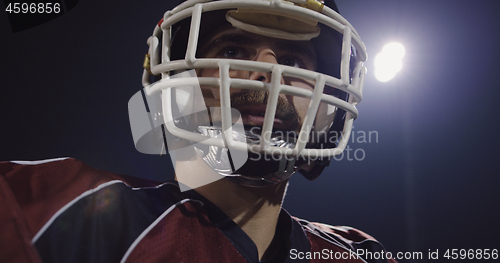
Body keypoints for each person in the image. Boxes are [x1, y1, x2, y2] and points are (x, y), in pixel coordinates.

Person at [1, 0, 397, 262]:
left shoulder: (357, 254)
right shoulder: (61, 208)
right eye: (232, 51)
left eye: (293, 58)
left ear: (327, 104)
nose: (265, 73)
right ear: (180, 86)